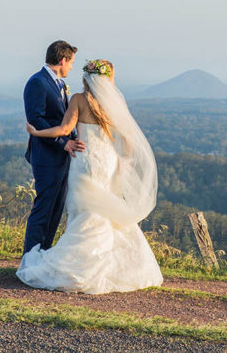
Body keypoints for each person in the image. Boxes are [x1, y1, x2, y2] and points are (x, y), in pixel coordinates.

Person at [16, 59, 163, 294]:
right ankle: (108, 262)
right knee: (104, 210)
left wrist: (37, 132)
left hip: (85, 160)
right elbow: (128, 141)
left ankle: (79, 262)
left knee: (83, 209)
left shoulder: (78, 100)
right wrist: (123, 162)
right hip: (108, 161)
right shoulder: (114, 103)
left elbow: (64, 130)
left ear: (87, 78)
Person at [22, 40, 85, 254]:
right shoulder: (37, 83)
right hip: (46, 157)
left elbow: (62, 119)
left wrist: (74, 138)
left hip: (62, 158)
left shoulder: (58, 84)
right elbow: (36, 120)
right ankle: (30, 258)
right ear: (62, 60)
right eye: (71, 63)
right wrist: (63, 142)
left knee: (56, 210)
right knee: (43, 208)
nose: (71, 67)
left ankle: (43, 255)